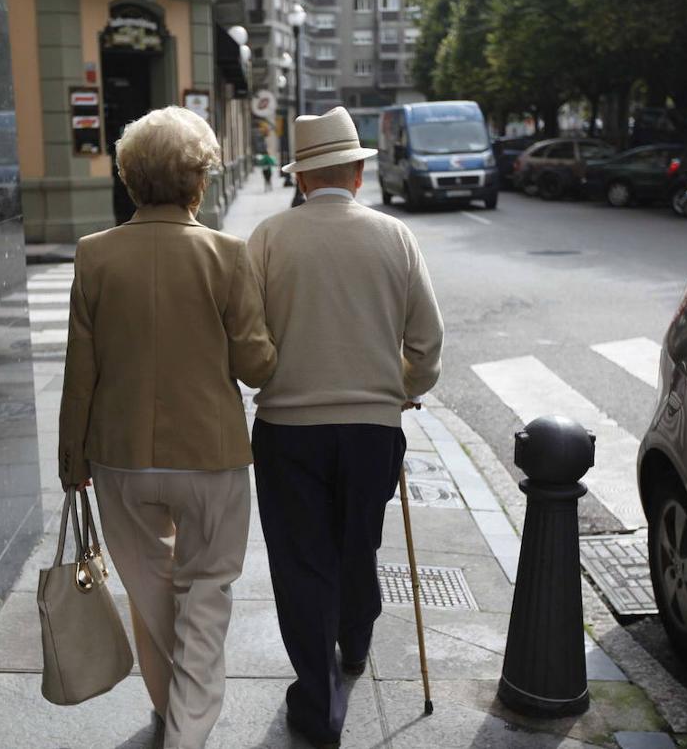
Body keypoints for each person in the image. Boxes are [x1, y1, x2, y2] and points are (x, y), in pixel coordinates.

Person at [58, 106, 277, 749]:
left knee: (151, 594)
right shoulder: (227, 256)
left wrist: (73, 463)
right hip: (210, 454)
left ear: (129, 181)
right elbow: (255, 363)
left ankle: (170, 710)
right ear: (199, 182)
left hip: (120, 457)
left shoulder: (94, 256)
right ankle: (187, 732)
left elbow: (81, 373)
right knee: (206, 594)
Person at [247, 106, 444, 748]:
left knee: (303, 563)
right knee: (358, 542)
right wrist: (399, 392)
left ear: (301, 179)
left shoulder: (269, 238)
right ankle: (355, 641)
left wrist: (278, 376)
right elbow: (427, 344)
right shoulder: (396, 237)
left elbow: (247, 341)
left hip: (288, 428)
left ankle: (321, 704)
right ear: (358, 172)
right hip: (372, 429)